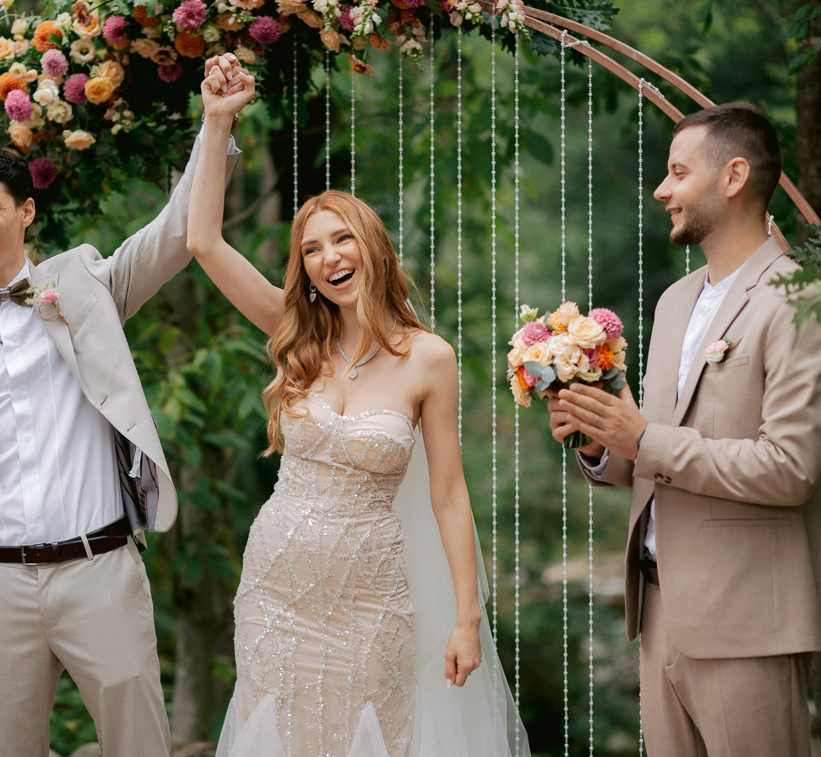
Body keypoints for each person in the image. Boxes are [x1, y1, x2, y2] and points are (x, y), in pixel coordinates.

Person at [0, 58, 243, 756]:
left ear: (25, 212)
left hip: (100, 570)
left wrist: (217, 123)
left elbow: (175, 234)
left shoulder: (81, 284)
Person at [188, 67, 527, 756]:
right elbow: (204, 243)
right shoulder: (295, 336)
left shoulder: (429, 357)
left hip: (372, 602)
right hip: (277, 591)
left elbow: (449, 492)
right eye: (310, 250)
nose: (326, 258)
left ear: (371, 246)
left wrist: (467, 616)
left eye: (340, 240)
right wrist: (218, 120)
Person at [547, 102, 821, 755]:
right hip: (659, 615)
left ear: (732, 176)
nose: (661, 190)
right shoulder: (674, 303)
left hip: (748, 623)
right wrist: (599, 443)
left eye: (677, 172)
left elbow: (791, 470)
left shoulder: (798, 299)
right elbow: (656, 454)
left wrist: (639, 439)